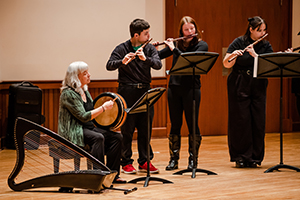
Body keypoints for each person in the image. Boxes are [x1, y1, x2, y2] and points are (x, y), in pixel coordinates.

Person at [106, 19, 162, 174]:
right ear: (136, 35)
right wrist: (122, 61)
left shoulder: (149, 48)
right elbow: (109, 65)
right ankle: (126, 162)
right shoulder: (122, 48)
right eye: (146, 33)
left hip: (145, 92)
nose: (149, 36)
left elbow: (158, 64)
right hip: (127, 92)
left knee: (146, 129)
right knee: (127, 130)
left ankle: (145, 161)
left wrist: (146, 59)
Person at [153, 16, 208, 170]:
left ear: (195, 29)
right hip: (174, 89)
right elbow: (157, 57)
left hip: (192, 88)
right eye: (186, 30)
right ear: (181, 31)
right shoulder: (177, 44)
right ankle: (173, 159)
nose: (190, 32)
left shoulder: (201, 45)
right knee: (175, 124)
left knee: (192, 124)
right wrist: (156, 48)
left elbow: (186, 60)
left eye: (192, 28)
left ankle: (193, 160)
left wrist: (173, 48)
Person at [58, 61, 126, 183]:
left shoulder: (84, 90)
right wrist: (104, 108)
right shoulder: (68, 94)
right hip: (74, 130)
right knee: (98, 137)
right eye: (85, 73)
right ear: (75, 77)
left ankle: (113, 175)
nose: (89, 75)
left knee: (117, 137)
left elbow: (92, 112)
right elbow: (83, 117)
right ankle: (98, 176)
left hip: (87, 128)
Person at [223, 16, 273, 168]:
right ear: (251, 30)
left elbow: (269, 66)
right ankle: (241, 156)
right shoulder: (239, 42)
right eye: (259, 31)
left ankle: (255, 157)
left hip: (258, 83)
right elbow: (226, 63)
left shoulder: (265, 45)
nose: (262, 33)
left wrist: (255, 55)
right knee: (240, 120)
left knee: (258, 120)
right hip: (239, 83)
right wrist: (233, 56)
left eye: (264, 30)